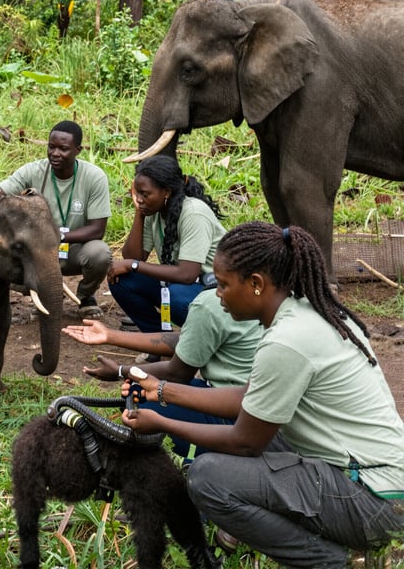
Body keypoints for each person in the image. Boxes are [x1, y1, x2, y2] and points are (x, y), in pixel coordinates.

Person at [121, 222, 404, 568]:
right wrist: (163, 391)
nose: (217, 295)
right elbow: (251, 398)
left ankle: (329, 561)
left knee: (208, 477)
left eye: (224, 285)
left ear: (256, 284)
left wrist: (161, 421)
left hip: (375, 502)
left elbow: (245, 442)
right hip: (379, 480)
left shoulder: (287, 340)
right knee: (250, 439)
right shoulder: (307, 312)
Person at [62, 288, 262, 460]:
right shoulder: (278, 300)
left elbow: (177, 373)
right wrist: (110, 336)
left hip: (243, 423)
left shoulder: (210, 304)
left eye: (222, 281)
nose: (218, 290)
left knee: (147, 402)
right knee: (141, 389)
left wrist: (121, 372)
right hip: (249, 407)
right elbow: (188, 339)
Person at [0, 120, 111, 316]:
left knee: (100, 253)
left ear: (78, 150)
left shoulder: (94, 177)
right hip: (36, 250)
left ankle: (85, 295)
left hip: (73, 249)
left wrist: (58, 236)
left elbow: (97, 230)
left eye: (63, 149)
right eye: (51, 147)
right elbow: (1, 193)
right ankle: (44, 292)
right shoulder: (33, 170)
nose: (55, 153)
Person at [108, 155, 225, 332]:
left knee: (175, 297)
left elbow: (187, 274)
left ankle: (203, 338)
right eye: (136, 193)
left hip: (215, 290)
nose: (139, 199)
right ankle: (156, 339)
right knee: (122, 279)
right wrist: (139, 214)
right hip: (181, 284)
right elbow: (133, 257)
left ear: (167, 192)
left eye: (145, 194)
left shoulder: (194, 213)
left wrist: (133, 265)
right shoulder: (153, 210)